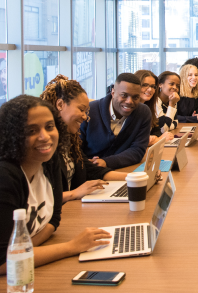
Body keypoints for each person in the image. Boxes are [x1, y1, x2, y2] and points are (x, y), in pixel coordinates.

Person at [0, 95, 111, 272]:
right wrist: (71, 247)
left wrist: (25, 249)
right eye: (31, 131)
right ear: (12, 135)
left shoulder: (49, 160)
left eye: (49, 127)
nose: (45, 137)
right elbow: (4, 261)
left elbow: (54, 218)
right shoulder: (6, 177)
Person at [40, 75, 128, 203]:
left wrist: (135, 177)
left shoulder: (69, 140)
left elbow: (92, 170)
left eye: (86, 111)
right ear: (60, 104)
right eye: (81, 110)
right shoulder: (44, 147)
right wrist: (74, 193)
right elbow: (39, 199)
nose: (85, 117)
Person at [81, 73, 152, 169]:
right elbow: (76, 150)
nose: (129, 101)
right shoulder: (89, 111)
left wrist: (107, 162)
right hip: (90, 171)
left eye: (135, 97)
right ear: (113, 93)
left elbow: (137, 150)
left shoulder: (143, 112)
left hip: (123, 170)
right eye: (124, 95)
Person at [134, 70, 174, 146]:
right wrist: (159, 139)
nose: (150, 89)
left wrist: (154, 138)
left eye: (153, 86)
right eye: (145, 85)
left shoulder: (148, 107)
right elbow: (135, 141)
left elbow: (157, 130)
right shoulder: (129, 109)